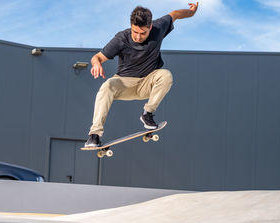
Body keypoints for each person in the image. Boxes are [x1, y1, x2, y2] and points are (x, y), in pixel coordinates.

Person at [84, 3, 199, 147]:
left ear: (150, 27)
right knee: (106, 86)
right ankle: (94, 135)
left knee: (166, 75)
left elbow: (175, 14)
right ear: (131, 26)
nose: (138, 37)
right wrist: (96, 64)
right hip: (124, 84)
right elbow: (98, 57)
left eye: (143, 33)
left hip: (147, 83)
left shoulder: (159, 27)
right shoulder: (121, 39)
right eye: (135, 32)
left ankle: (147, 114)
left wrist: (192, 12)